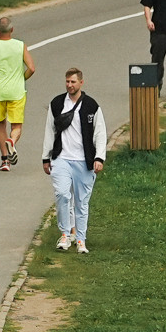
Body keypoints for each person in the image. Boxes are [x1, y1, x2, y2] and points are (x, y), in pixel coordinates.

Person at [41, 68, 108, 253]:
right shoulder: (56, 104)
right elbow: (49, 131)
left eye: (73, 82)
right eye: (67, 82)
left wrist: (99, 157)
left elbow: (100, 133)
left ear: (81, 83)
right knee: (62, 195)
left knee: (81, 202)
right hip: (61, 158)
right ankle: (64, 234)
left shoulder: (91, 106)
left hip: (83, 161)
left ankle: (81, 240)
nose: (70, 85)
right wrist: (46, 158)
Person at [0, 17, 36, 170]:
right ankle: (12, 141)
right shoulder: (20, 45)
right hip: (16, 91)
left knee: (0, 124)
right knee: (16, 125)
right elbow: (32, 68)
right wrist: (23, 78)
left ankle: (5, 161)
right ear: (12, 30)